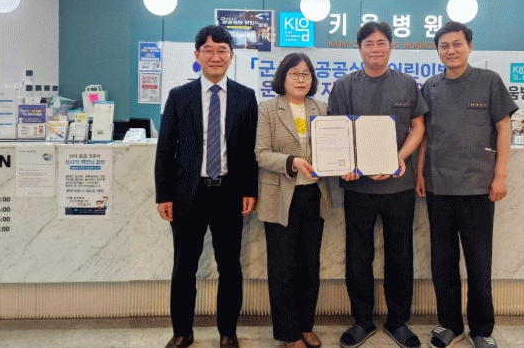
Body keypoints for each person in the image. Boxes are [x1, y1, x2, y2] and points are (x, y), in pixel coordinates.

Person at [415, 21, 518, 348]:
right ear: (437, 50)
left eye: (457, 44)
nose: (451, 51)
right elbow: (424, 134)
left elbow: (504, 128)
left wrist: (500, 174)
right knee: (442, 263)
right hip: (438, 187)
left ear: (469, 46)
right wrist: (420, 173)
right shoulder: (430, 86)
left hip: (477, 188)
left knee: (478, 262)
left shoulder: (489, 81)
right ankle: (450, 325)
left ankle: (481, 330)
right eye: (444, 46)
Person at [155, 25, 258, 348]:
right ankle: (182, 331)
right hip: (188, 194)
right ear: (197, 55)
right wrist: (164, 195)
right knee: (184, 266)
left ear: (231, 56)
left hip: (229, 193)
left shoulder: (245, 97)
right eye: (209, 51)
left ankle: (228, 331)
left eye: (222, 51)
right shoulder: (179, 96)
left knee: (230, 266)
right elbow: (165, 149)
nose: (215, 57)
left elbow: (250, 151)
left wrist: (250, 190)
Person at [328, 21, 427, 348]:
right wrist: (351, 163)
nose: (375, 48)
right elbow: (337, 131)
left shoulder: (407, 84)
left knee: (401, 254)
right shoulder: (345, 86)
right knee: (358, 256)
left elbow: (418, 126)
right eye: (368, 43)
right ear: (359, 49)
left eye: (381, 42)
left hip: (399, 186)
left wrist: (398, 157)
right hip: (359, 187)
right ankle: (362, 321)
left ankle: (399, 321)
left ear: (390, 46)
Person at [255, 52, 333, 348]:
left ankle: (306, 325)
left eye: (306, 74)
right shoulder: (268, 109)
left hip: (314, 195)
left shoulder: (320, 107)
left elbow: (333, 146)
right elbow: (261, 154)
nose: (301, 79)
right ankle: (289, 333)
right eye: (294, 74)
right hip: (280, 197)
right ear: (283, 77)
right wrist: (292, 161)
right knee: (283, 269)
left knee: (310, 266)